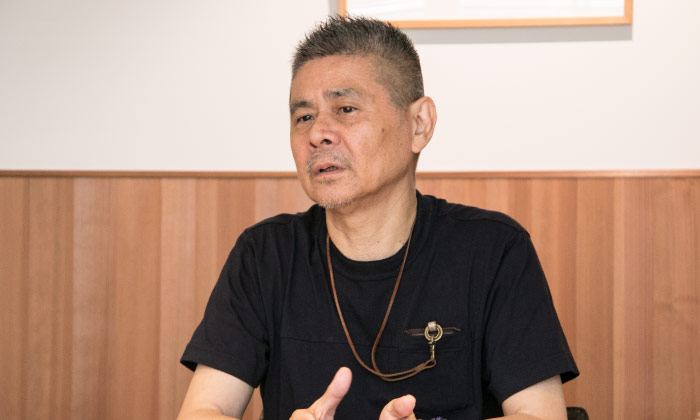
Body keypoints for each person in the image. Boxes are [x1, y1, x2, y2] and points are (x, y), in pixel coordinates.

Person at [178, 16, 578, 420]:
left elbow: (542, 415)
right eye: (304, 117)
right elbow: (203, 409)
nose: (318, 134)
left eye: (346, 109)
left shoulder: (493, 250)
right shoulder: (265, 255)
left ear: (418, 125)